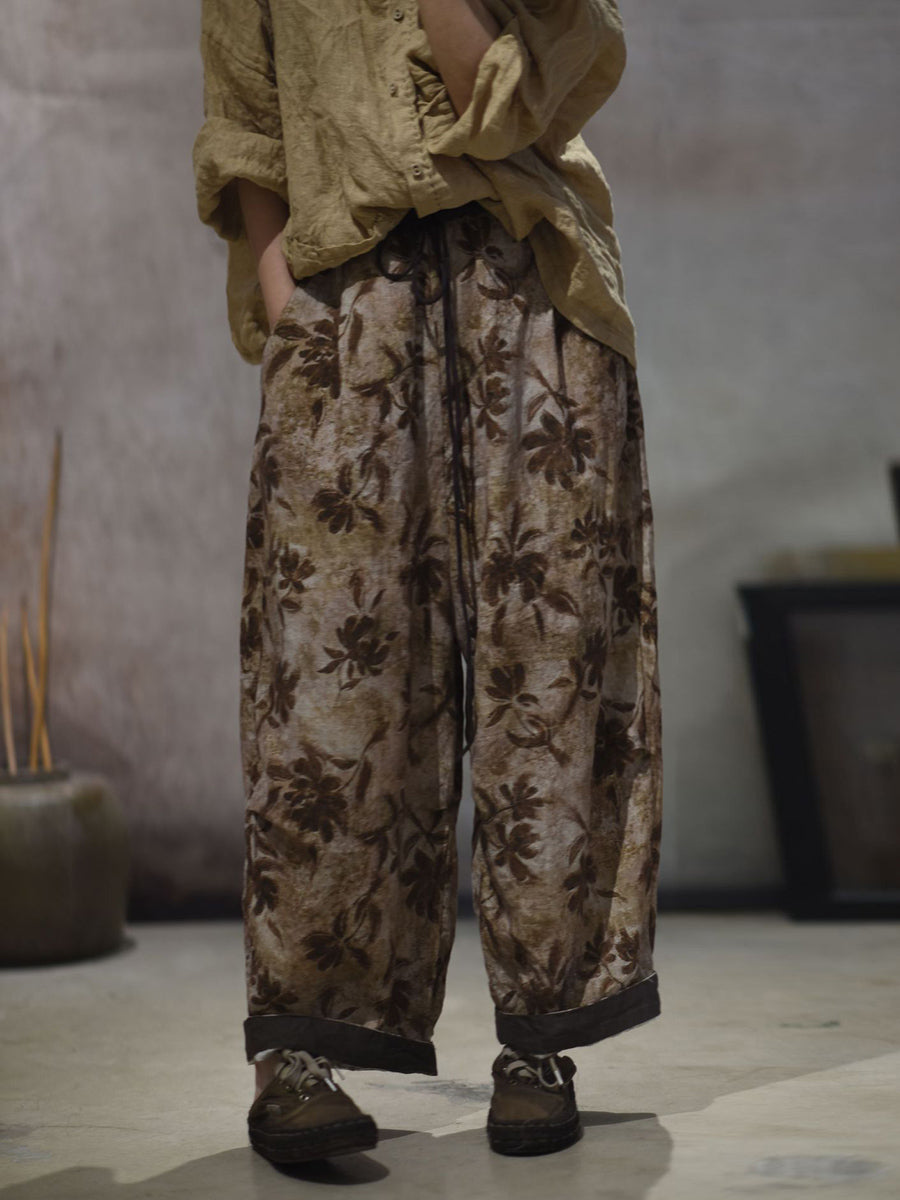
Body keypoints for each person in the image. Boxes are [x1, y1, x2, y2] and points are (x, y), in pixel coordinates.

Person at [192, 0, 663, 1163]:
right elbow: (246, 127)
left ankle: (539, 1039)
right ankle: (296, 1052)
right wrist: (288, 309)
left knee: (547, 678)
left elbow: (503, 107)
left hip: (533, 289)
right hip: (346, 304)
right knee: (326, 691)